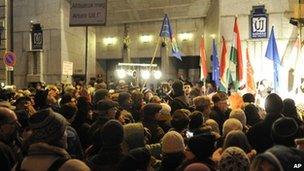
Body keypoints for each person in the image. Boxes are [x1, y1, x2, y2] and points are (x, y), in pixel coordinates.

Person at [13, 108, 89, 171]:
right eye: (64, 130)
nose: (66, 134)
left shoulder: (19, 165)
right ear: (59, 136)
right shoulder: (72, 167)